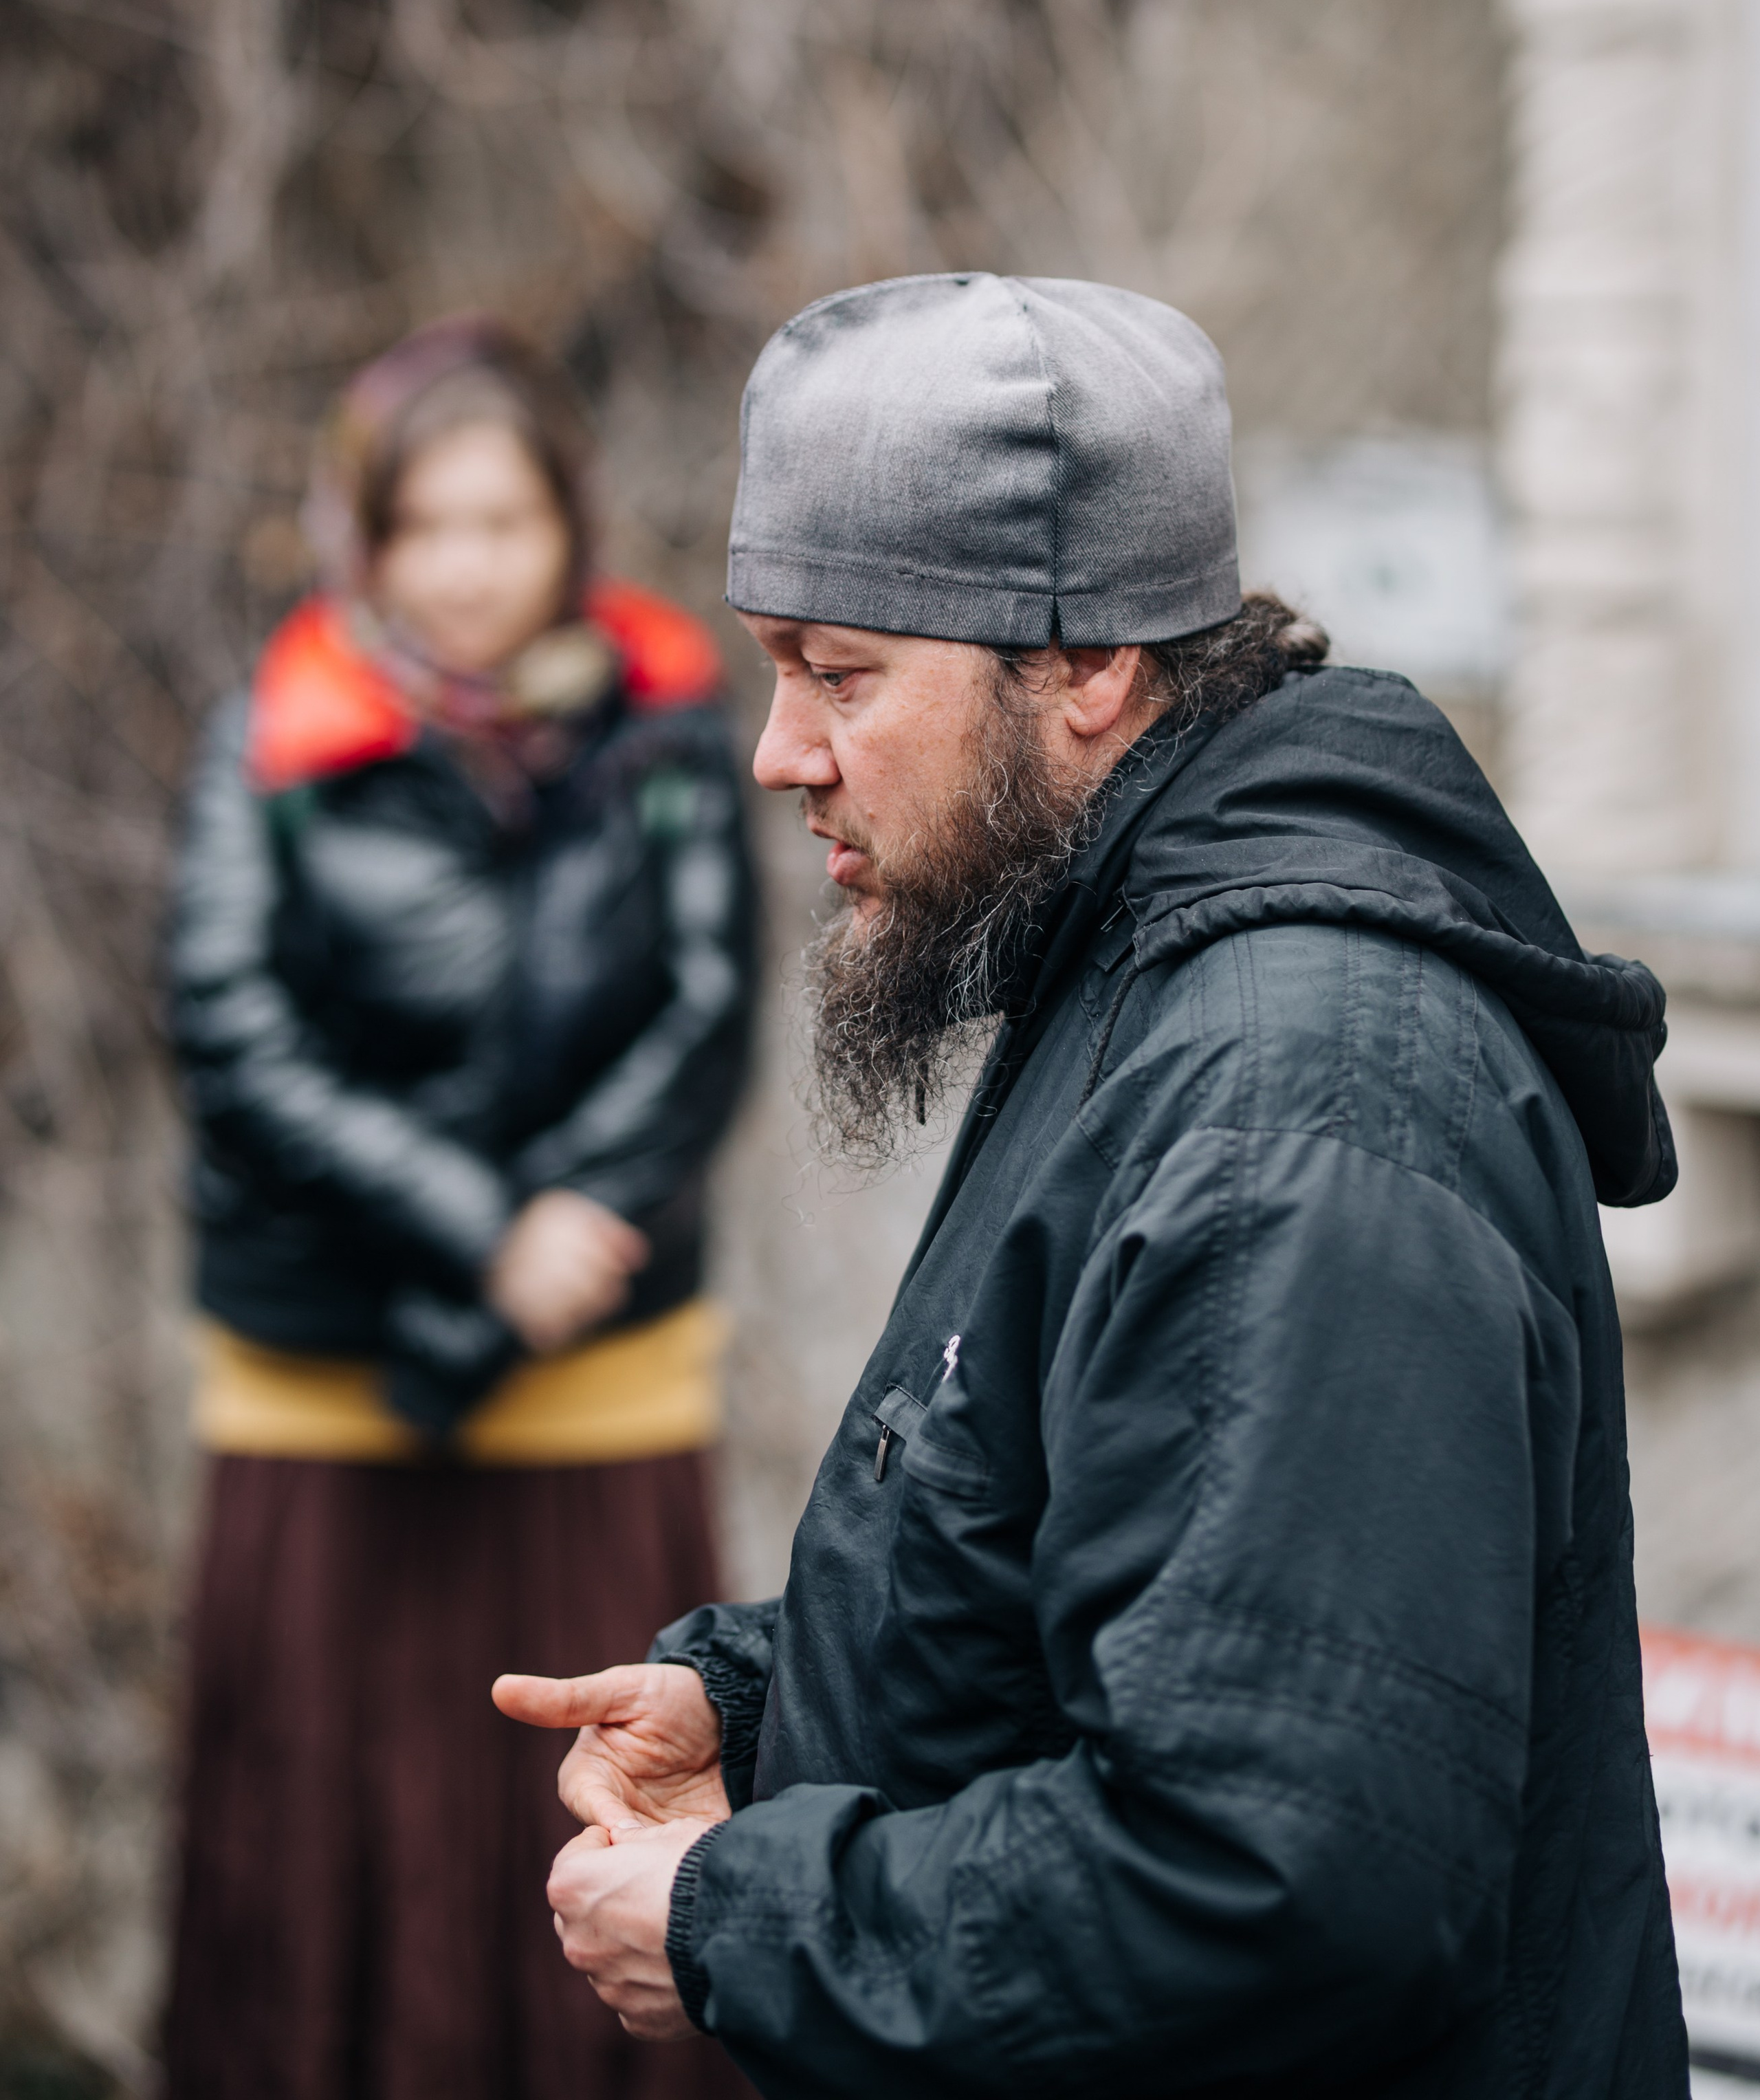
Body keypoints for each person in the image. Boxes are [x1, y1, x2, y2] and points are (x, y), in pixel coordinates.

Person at [496, 272, 1688, 2098]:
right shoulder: (1146, 961)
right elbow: (1089, 1560)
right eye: (770, 666)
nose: (778, 752)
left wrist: (749, 1911)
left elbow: (1273, 1884)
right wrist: (762, 1709)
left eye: (842, 669)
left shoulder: (1304, 1106)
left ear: (1086, 665)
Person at [164, 316, 757, 2100]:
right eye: (425, 525)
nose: (467, 566)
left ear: (566, 524)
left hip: (600, 1383)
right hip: (332, 1396)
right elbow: (228, 1025)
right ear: (364, 536)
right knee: (319, 1865)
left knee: (583, 1842)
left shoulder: (669, 721)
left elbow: (709, 1011)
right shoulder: (275, 730)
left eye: (503, 521)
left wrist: (568, 1224)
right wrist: (485, 1240)